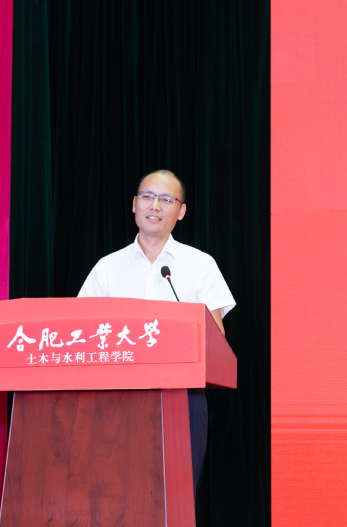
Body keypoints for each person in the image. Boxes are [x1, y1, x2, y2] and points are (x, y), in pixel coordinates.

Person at [78, 169, 235, 498]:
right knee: (115, 497)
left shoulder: (200, 265)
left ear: (181, 211)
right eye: (148, 197)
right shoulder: (107, 268)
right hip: (115, 400)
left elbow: (216, 341)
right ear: (134, 204)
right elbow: (82, 334)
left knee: (175, 498)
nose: (155, 205)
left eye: (166, 199)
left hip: (182, 398)